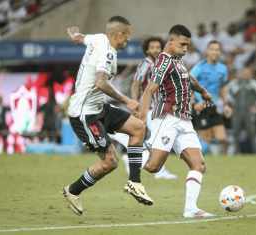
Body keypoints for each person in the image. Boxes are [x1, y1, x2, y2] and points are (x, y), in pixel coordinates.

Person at [63, 16, 153, 216]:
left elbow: (82, 38)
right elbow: (101, 83)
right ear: (118, 34)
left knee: (138, 128)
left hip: (98, 108)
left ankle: (135, 183)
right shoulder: (107, 53)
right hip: (84, 115)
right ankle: (72, 190)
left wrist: (75, 36)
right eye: (127, 37)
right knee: (110, 162)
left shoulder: (98, 38)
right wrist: (127, 100)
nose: (127, 41)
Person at [140, 24, 214, 218]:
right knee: (152, 167)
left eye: (188, 45)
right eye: (182, 44)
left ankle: (191, 209)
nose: (185, 48)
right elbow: (150, 89)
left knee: (199, 165)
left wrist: (204, 92)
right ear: (171, 41)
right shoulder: (163, 60)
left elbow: (189, 79)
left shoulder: (178, 61)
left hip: (185, 120)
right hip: (168, 119)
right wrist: (140, 118)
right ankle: (135, 152)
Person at [110, 36, 177, 179]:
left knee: (155, 138)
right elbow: (136, 83)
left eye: (158, 47)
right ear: (147, 50)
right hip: (149, 107)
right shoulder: (145, 64)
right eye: (152, 47)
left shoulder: (163, 64)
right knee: (158, 138)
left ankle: (129, 154)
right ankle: (159, 170)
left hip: (161, 107)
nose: (155, 50)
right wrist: (135, 103)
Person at [190, 40, 232, 154]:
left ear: (220, 52)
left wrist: (226, 104)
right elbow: (188, 84)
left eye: (217, 49)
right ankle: (196, 163)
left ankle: (225, 164)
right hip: (201, 105)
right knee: (205, 139)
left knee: (222, 138)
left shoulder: (223, 69)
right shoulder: (199, 67)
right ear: (207, 51)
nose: (215, 52)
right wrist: (193, 103)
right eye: (212, 49)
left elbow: (223, 88)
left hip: (214, 105)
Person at [227, 66, 256, 153]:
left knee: (252, 132)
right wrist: (231, 102)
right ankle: (236, 152)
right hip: (237, 111)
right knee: (235, 131)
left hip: (249, 111)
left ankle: (255, 152)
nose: (245, 75)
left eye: (247, 73)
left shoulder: (254, 83)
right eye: (244, 73)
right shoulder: (234, 83)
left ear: (251, 74)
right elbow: (225, 92)